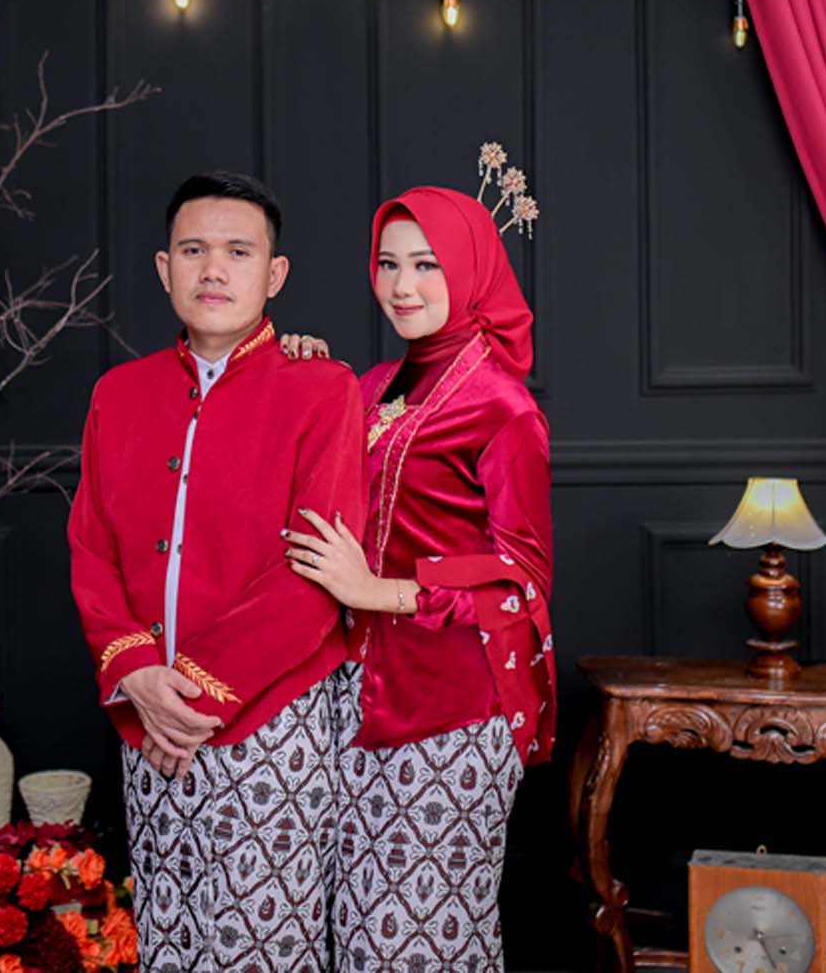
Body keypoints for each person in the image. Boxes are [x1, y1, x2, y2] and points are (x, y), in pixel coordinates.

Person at [68, 171, 366, 971]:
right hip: (147, 713)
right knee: (169, 933)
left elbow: (314, 574)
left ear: (275, 274)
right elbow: (92, 548)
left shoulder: (321, 390)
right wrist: (136, 673)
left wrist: (189, 697)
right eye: (194, 250)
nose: (214, 270)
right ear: (164, 268)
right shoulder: (118, 395)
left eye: (239, 252)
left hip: (272, 717)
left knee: (264, 947)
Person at [281, 185, 556, 972]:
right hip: (357, 698)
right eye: (388, 263)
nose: (402, 286)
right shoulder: (371, 386)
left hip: (454, 710)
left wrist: (377, 591)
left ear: (469, 269)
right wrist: (297, 372)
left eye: (427, 265)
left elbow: (523, 582)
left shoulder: (503, 408)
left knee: (422, 944)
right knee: (359, 936)